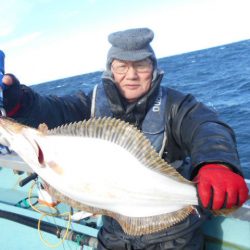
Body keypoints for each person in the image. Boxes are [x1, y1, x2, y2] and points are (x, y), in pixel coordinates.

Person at [1, 28, 249, 250]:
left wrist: (217, 161)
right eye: (122, 66)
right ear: (111, 70)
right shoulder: (89, 104)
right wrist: (21, 102)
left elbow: (206, 126)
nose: (131, 75)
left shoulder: (177, 105)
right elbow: (55, 110)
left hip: (175, 237)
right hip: (114, 233)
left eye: (141, 65)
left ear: (153, 68)